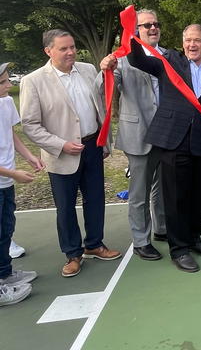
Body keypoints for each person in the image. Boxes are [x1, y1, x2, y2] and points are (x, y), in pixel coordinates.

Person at [125, 24, 201, 272]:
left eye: (197, 40)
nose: (192, 45)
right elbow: (138, 60)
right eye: (188, 40)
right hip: (174, 141)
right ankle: (179, 249)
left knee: (199, 196)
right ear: (183, 42)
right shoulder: (170, 61)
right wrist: (130, 34)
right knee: (175, 198)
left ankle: (195, 238)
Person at [20, 30, 121, 278]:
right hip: (61, 154)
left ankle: (94, 244)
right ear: (48, 51)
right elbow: (30, 125)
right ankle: (72, 254)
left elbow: (101, 106)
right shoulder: (33, 81)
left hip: (93, 147)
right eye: (64, 48)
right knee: (65, 207)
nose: (71, 52)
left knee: (95, 199)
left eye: (73, 47)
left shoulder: (87, 70)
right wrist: (60, 144)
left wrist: (103, 141)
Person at [97, 9, 166, 261]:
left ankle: (161, 229)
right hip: (139, 133)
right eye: (146, 25)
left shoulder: (167, 55)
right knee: (139, 193)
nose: (152, 28)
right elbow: (101, 88)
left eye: (155, 24)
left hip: (166, 134)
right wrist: (104, 69)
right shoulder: (121, 58)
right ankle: (140, 240)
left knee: (161, 187)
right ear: (135, 30)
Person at [0, 62, 43, 306]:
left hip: (6, 181)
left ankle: (5, 273)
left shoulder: (5, 102)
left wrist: (29, 156)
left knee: (6, 228)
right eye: (3, 82)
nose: (9, 85)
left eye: (7, 80)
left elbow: (10, 133)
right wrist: (14, 173)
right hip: (5, 176)